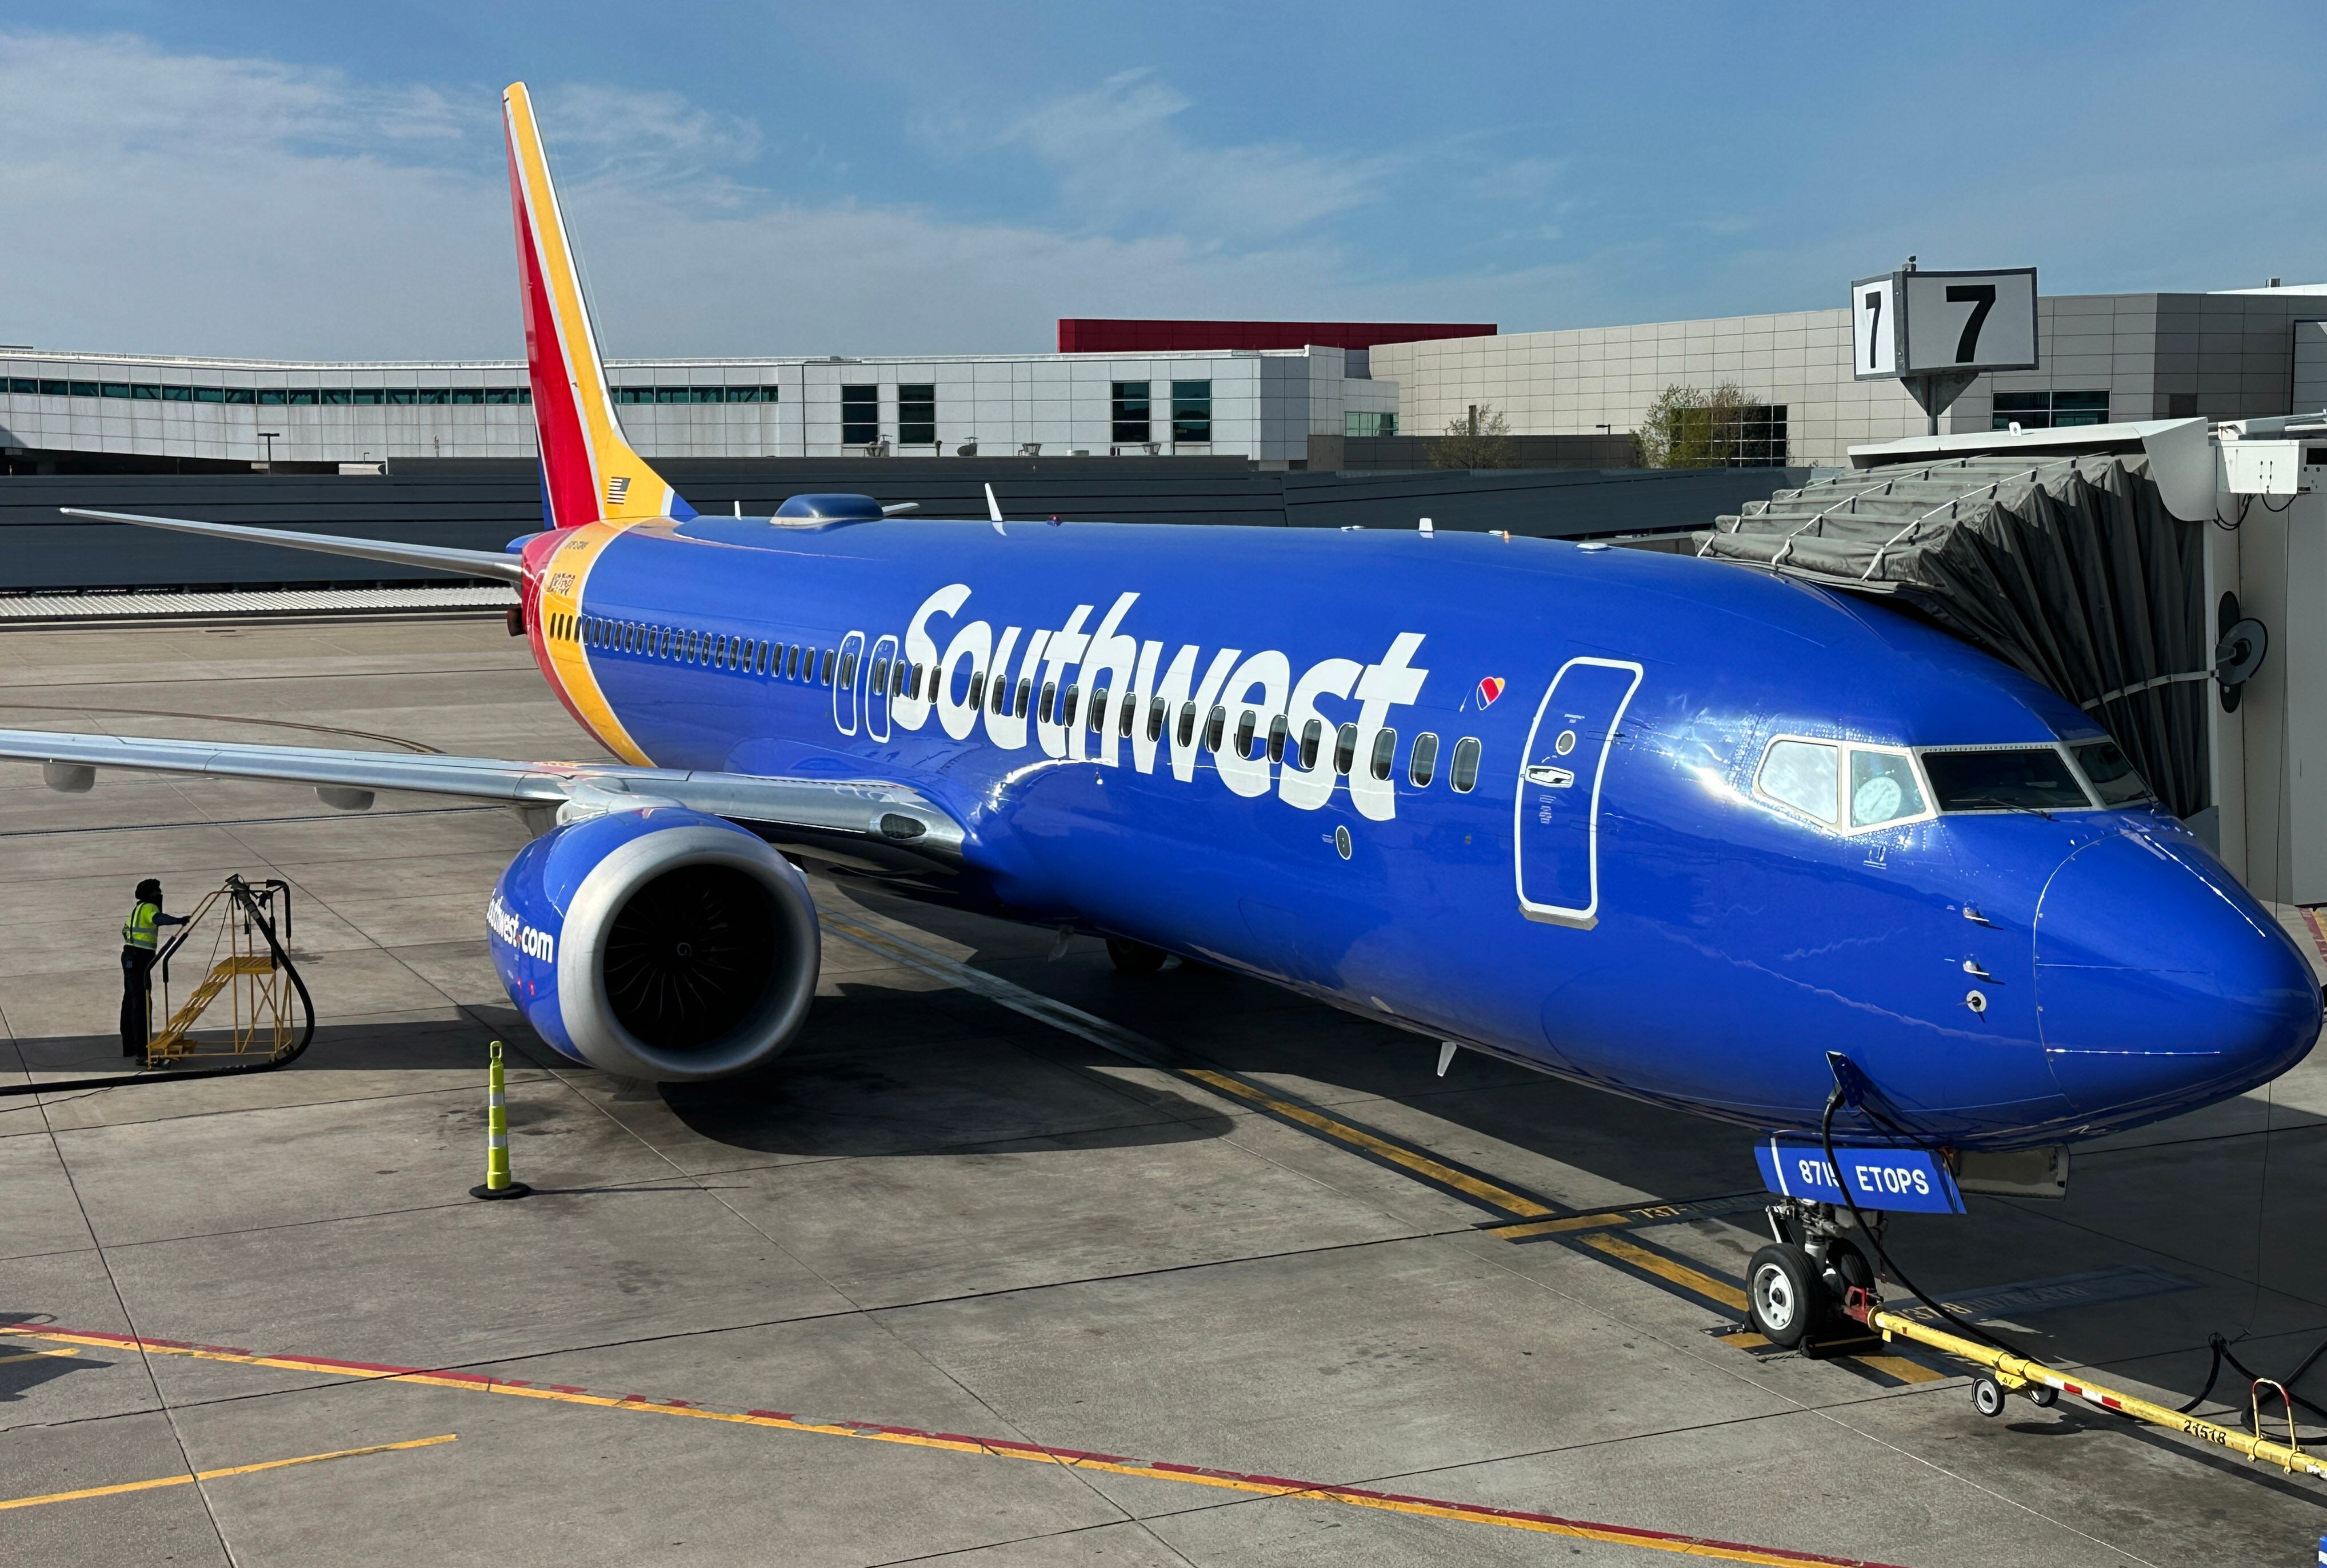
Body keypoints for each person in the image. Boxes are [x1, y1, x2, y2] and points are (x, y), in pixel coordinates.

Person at [121, 879, 188, 1059]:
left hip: (129, 956)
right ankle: (142, 1050)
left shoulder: (136, 910)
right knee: (142, 1003)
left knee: (130, 1000)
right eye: (158, 893)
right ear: (153, 895)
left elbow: (125, 931)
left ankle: (129, 1047)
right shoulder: (150, 907)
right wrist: (178, 920)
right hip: (140, 959)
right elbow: (158, 919)